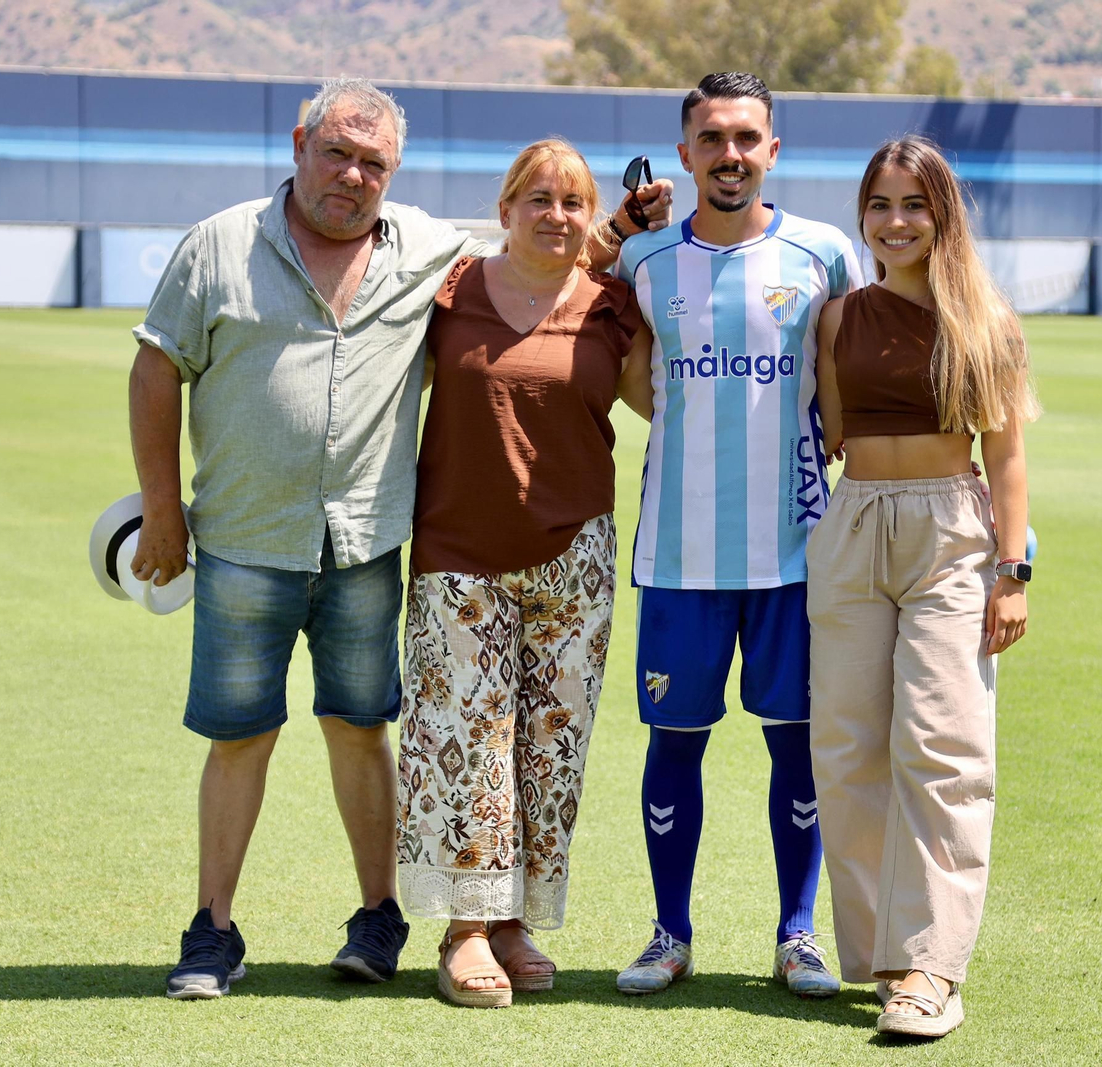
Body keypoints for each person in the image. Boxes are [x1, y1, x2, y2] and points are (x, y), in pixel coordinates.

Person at [126, 78, 672, 1000]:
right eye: (337, 152)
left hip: (372, 543)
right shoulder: (239, 247)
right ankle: (218, 929)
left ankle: (411, 919)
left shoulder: (443, 257)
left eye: (373, 162)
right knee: (248, 734)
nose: (351, 174)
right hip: (256, 539)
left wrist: (616, 228)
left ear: (395, 173)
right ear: (300, 143)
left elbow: (559, 251)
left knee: (369, 726)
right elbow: (154, 367)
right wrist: (163, 508)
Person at [613, 72, 862, 999]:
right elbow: (633, 379)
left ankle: (797, 933)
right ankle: (669, 932)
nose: (730, 154)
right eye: (711, 138)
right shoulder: (643, 261)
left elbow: (844, 374)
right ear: (685, 154)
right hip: (678, 555)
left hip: (798, 553)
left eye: (746, 138)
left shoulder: (825, 252)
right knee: (674, 741)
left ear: (772, 150)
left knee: (796, 744)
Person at [395, 138, 654, 1009]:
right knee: (465, 740)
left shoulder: (616, 306)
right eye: (537, 199)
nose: (556, 215)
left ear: (592, 220)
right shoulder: (450, 292)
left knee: (551, 747)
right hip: (456, 553)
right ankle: (466, 928)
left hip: (573, 554)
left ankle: (515, 921)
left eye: (574, 202)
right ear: (504, 210)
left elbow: (669, 398)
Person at [807, 135, 1041, 1038]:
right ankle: (880, 957)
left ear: (942, 213)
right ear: (862, 215)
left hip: (952, 531)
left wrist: (1012, 573)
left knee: (943, 748)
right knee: (849, 747)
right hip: (854, 519)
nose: (896, 222)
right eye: (880, 204)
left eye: (914, 204)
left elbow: (1009, 458)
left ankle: (933, 969)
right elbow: (826, 430)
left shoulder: (986, 320)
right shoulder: (837, 317)